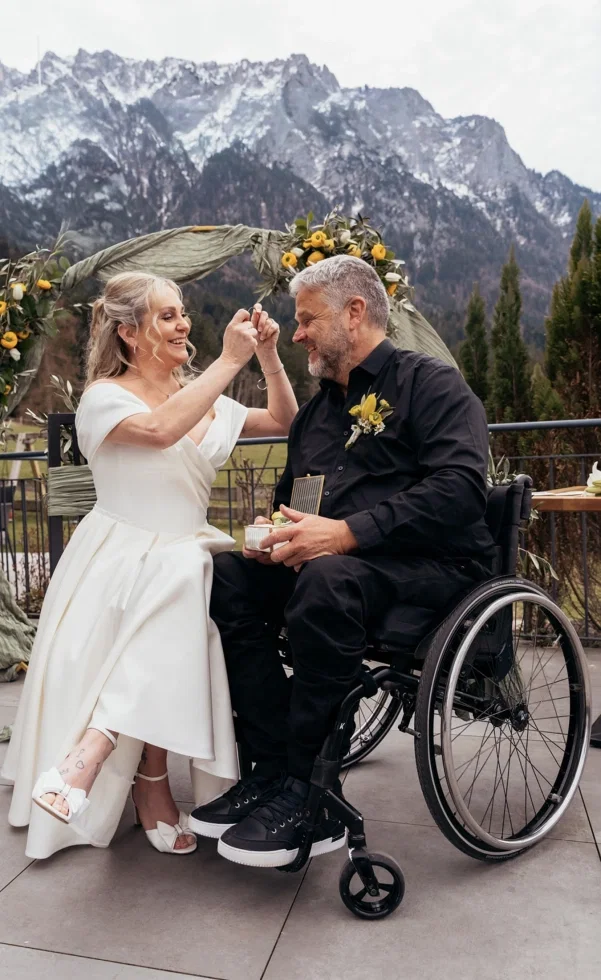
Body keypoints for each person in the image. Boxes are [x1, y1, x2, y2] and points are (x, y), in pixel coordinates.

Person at [190, 255, 495, 868]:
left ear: (354, 313)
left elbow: (462, 488)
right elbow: (298, 497)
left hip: (431, 573)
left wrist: (347, 534)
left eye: (306, 319)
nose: (296, 333)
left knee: (328, 580)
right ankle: (272, 769)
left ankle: (312, 793)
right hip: (335, 572)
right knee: (223, 574)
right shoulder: (319, 412)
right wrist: (279, 534)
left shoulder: (430, 385)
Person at [2, 271, 297, 860]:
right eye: (167, 315)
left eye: (182, 311)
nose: (183, 322)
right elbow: (162, 432)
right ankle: (148, 780)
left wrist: (265, 354)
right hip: (118, 554)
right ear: (129, 332)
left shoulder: (201, 397)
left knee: (187, 568)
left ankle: (97, 746)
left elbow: (285, 420)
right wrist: (226, 362)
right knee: (182, 575)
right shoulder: (103, 397)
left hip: (185, 546)